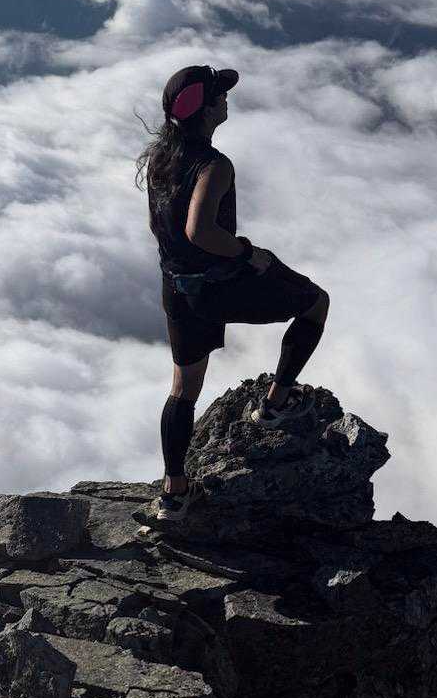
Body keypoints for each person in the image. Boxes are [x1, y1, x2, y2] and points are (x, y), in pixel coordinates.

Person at [134, 63, 329, 521]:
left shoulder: (160, 158)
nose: (226, 99)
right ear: (205, 110)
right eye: (219, 94)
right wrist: (247, 253)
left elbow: (159, 224)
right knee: (315, 303)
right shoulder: (214, 165)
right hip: (219, 283)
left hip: (177, 288)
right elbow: (200, 230)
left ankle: (174, 492)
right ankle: (275, 405)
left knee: (183, 390)